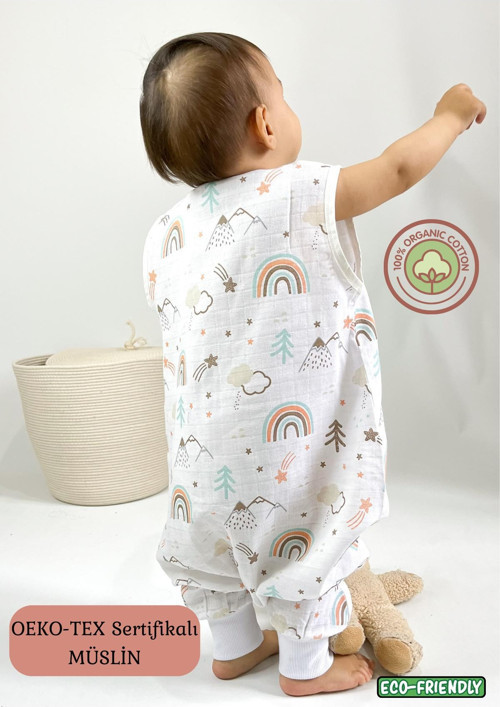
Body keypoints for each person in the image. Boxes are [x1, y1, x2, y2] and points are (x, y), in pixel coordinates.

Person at [139, 32, 486, 697]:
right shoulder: (298, 193)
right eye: (282, 94)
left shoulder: (166, 234)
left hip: (196, 471)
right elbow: (397, 170)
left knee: (213, 559)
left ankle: (236, 648)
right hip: (283, 462)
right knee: (306, 541)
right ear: (265, 124)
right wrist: (448, 115)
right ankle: (308, 668)